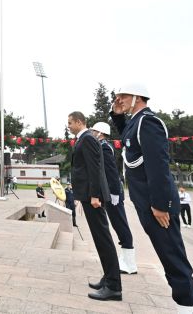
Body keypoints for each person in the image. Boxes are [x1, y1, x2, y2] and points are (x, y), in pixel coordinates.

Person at [110, 84, 193, 312]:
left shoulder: (148, 122)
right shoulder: (135, 123)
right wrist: (116, 115)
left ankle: (189, 306)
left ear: (137, 97)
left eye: (123, 95)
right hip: (146, 203)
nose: (118, 99)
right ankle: (185, 305)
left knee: (172, 254)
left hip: (157, 206)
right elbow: (128, 139)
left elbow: (158, 165)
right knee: (166, 252)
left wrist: (160, 205)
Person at [68, 111, 121, 302]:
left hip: (93, 197)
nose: (68, 126)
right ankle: (108, 278)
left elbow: (94, 167)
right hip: (89, 195)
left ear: (80, 122)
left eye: (70, 122)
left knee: (103, 238)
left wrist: (95, 195)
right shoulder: (85, 139)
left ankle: (114, 286)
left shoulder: (88, 139)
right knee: (100, 239)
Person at [90, 121, 137, 275]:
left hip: (113, 193)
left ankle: (130, 263)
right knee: (117, 224)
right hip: (110, 192)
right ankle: (125, 259)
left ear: (100, 133)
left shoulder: (104, 147)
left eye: (94, 131)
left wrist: (115, 193)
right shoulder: (103, 146)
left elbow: (111, 171)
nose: (92, 133)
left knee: (120, 223)